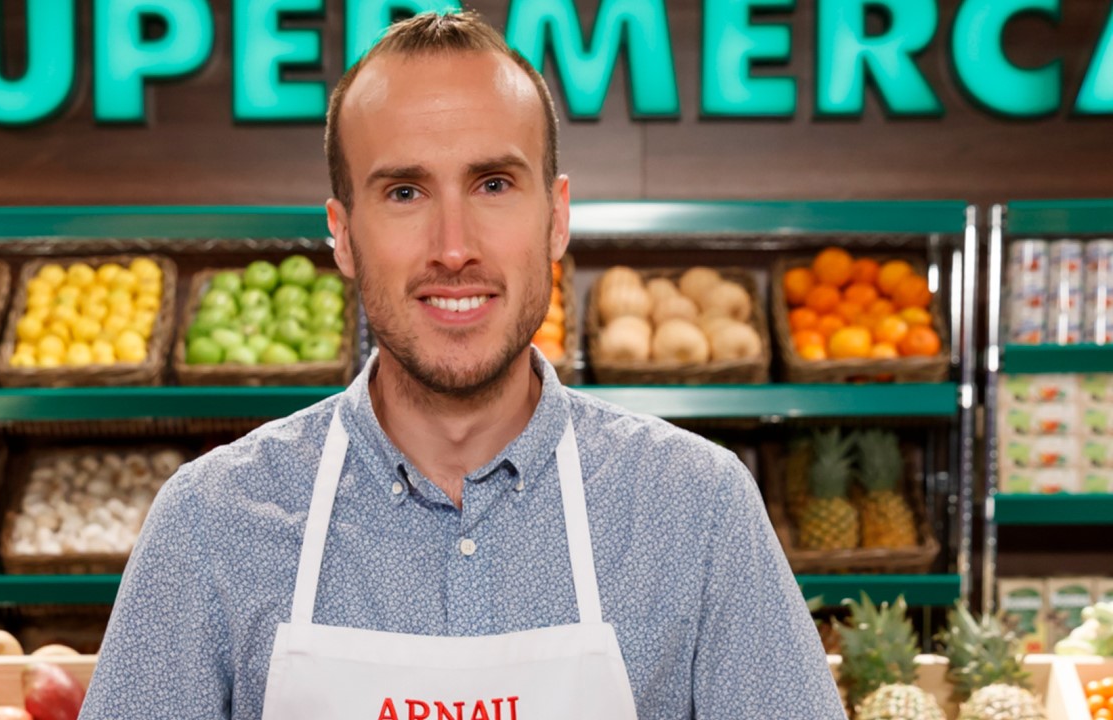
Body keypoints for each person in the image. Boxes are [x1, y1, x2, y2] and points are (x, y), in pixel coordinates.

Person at [81, 11, 845, 719]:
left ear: (557, 216)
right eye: (405, 191)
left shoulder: (696, 513)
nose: (453, 247)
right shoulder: (210, 526)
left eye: (494, 184)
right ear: (343, 236)